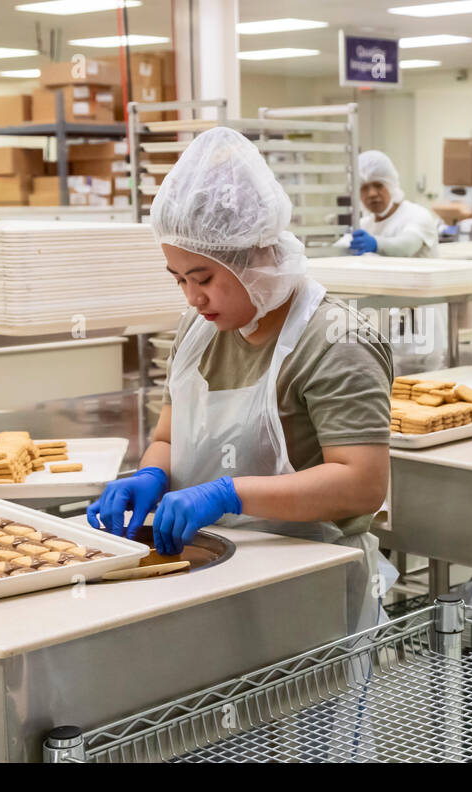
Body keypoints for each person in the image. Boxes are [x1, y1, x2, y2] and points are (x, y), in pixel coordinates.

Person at [86, 126, 394, 634]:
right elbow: (168, 436)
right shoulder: (199, 330)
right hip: (207, 579)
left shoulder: (335, 339)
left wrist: (228, 493)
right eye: (179, 278)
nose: (191, 298)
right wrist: (150, 475)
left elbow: (361, 484)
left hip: (306, 591)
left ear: (256, 254)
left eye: (203, 278)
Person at [334, 149, 447, 372]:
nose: (372, 193)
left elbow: (405, 246)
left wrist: (376, 244)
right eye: (364, 188)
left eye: (378, 185)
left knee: (429, 385)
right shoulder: (365, 226)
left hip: (423, 323)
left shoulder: (416, 216)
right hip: (389, 324)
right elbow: (336, 253)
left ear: (392, 184)